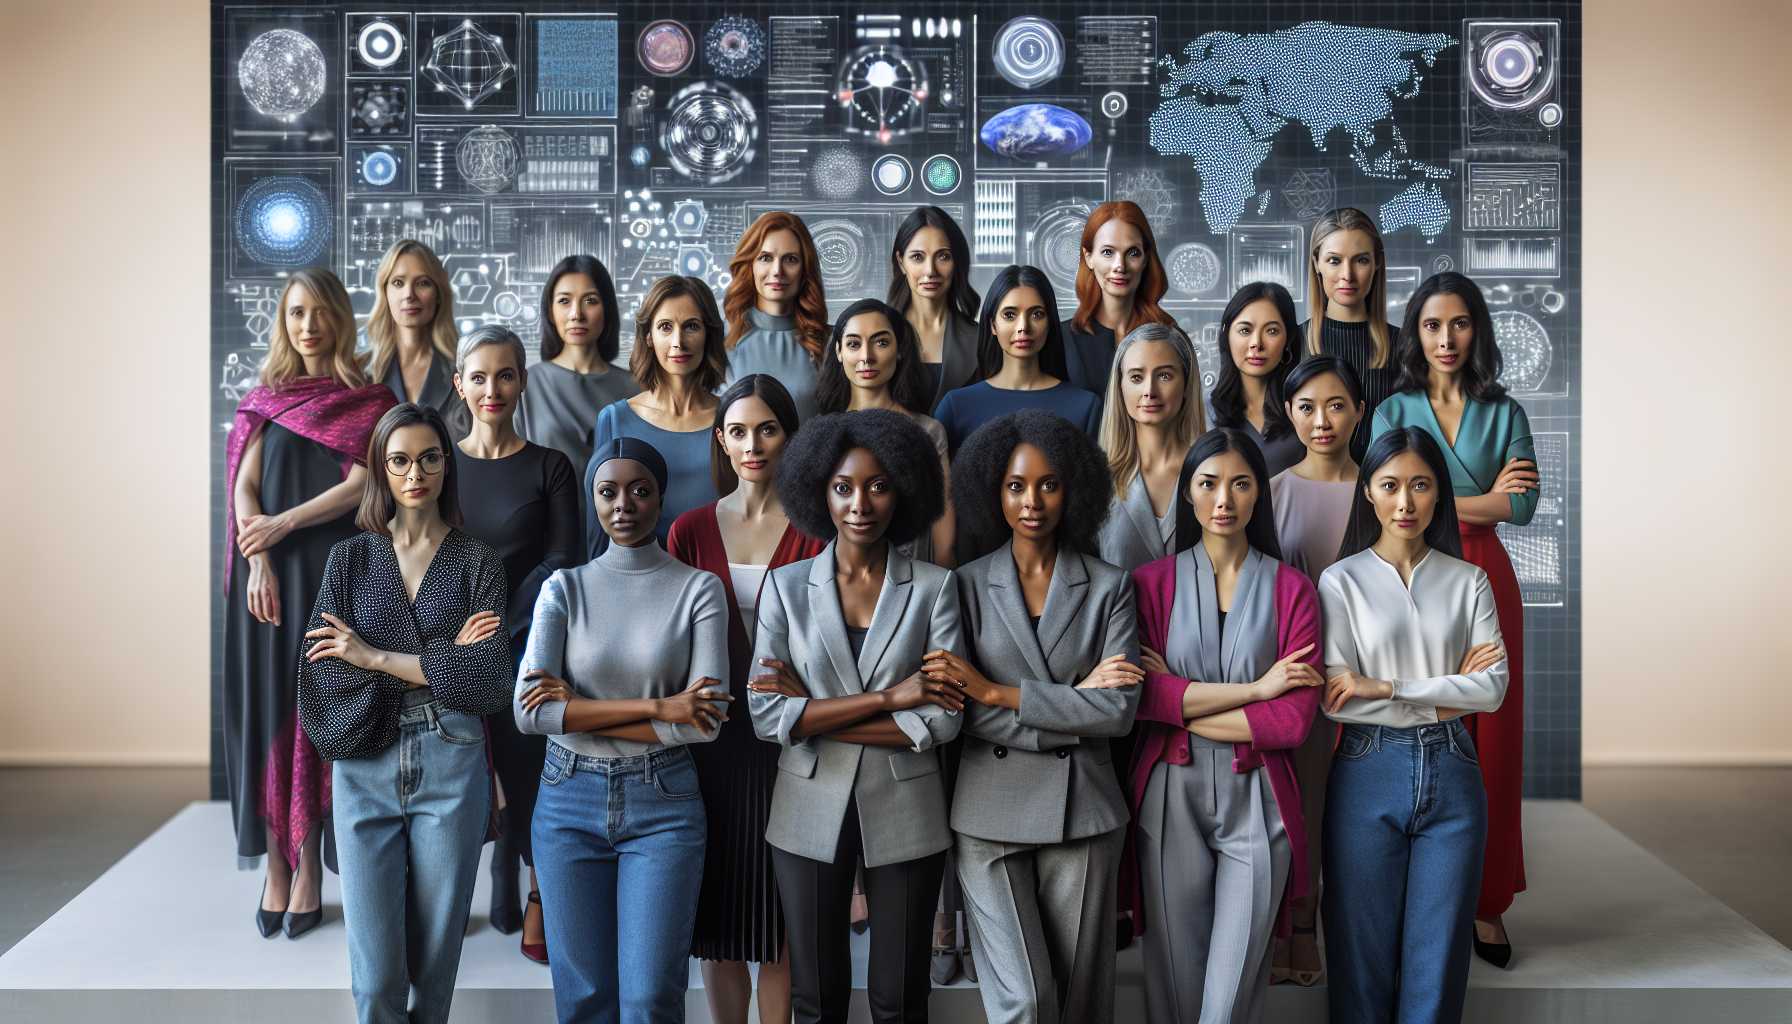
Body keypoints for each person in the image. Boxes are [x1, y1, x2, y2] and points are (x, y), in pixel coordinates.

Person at [297, 403, 514, 1023]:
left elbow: (491, 680)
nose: (414, 472)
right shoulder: (351, 560)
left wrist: (372, 655)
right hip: (363, 762)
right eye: (399, 460)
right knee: (375, 978)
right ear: (380, 470)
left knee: (434, 968)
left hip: (453, 756)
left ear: (446, 464)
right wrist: (443, 661)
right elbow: (322, 677)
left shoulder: (477, 561)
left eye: (428, 457)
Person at [747, 409, 965, 1024]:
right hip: (808, 810)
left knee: (900, 1001)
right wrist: (892, 700)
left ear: (904, 489)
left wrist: (812, 712)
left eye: (878, 485)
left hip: (907, 810)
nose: (860, 503)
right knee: (816, 1001)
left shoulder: (934, 588)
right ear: (820, 491)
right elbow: (766, 714)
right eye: (843, 487)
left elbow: (945, 721)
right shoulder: (787, 587)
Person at [929, 410, 1142, 1024]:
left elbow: (1120, 711)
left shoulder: (1110, 587)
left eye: (1048, 484)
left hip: (1084, 810)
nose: (1032, 501)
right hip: (987, 813)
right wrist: (1075, 698)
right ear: (992, 491)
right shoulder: (962, 586)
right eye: (1016, 485)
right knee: (1025, 1001)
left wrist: (1000, 693)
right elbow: (959, 711)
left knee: (1079, 1001)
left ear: (1072, 489)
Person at [517, 436, 732, 1024]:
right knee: (584, 998)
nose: (624, 504)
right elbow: (531, 712)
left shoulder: (697, 589)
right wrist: (662, 710)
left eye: (640, 490)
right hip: (567, 802)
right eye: (608, 492)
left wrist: (581, 710)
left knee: (649, 999)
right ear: (592, 500)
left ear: (660, 497)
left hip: (664, 804)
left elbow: (706, 725)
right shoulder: (564, 589)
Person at [1124, 428, 1323, 1024]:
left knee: (1228, 997)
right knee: (1173, 985)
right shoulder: (1149, 585)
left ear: (1260, 493)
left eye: (1240, 483)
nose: (1224, 499)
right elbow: (1140, 699)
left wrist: (1181, 704)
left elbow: (1291, 722)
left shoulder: (1294, 591)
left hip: (1260, 797)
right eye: (1209, 483)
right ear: (1188, 493)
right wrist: (1258, 691)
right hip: (1168, 796)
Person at [1372, 271, 1539, 968]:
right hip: (1411, 573)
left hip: (1488, 577)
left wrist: (1433, 496)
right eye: (1433, 325)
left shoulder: (1505, 411)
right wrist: (1479, 496)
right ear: (1415, 332)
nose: (1446, 338)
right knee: (1416, 730)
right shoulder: (1393, 408)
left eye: (1460, 323)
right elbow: (1384, 502)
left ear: (1479, 330)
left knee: (1490, 741)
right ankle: (1417, 889)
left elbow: (1522, 508)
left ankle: (1487, 903)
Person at [222, 267, 394, 939]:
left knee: (318, 714)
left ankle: (313, 868)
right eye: (296, 312)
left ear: (340, 320)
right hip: (266, 585)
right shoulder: (264, 399)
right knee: (268, 712)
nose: (308, 325)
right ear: (284, 322)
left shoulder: (370, 400)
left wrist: (286, 524)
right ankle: (275, 867)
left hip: (332, 577)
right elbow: (245, 490)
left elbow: (361, 483)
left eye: (320, 312)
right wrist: (259, 554)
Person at [1318, 427, 1509, 1023]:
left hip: (1455, 774)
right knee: (1360, 955)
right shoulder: (1340, 581)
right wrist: (1450, 691)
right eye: (1391, 485)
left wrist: (1389, 687)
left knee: (1440, 959)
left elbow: (1494, 689)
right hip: (1365, 770)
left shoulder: (1468, 580)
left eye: (1420, 486)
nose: (1405, 503)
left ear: (1438, 495)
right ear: (1368, 493)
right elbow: (1337, 700)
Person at [667, 375, 825, 1024]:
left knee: (781, 928)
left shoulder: (820, 528)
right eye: (737, 431)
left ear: (791, 436)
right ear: (720, 440)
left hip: (793, 750)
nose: (753, 444)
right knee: (718, 925)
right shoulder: (689, 530)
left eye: (768, 428)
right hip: (709, 756)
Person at [451, 325, 581, 962]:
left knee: (531, 772)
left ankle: (538, 893)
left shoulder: (551, 465)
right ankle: (446, 897)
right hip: (448, 638)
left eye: (504, 375)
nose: (492, 388)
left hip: (529, 639)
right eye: (479, 376)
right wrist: (461, 626)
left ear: (522, 381)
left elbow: (562, 556)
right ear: (460, 386)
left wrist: (502, 624)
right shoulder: (439, 464)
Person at [1264, 354, 1367, 986]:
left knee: (1353, 813)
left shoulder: (1382, 487)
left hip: (1369, 677)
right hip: (1301, 676)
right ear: (1290, 413)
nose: (1321, 420)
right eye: (1306, 407)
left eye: (1336, 405)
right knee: (1301, 804)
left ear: (1359, 410)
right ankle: (1298, 927)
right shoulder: (1271, 493)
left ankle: (1352, 929)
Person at [581, 275, 728, 558]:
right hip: (637, 583)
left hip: (718, 580)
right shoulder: (614, 419)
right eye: (665, 327)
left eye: (691, 327)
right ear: (648, 336)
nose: (678, 342)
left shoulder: (732, 419)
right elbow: (599, 534)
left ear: (709, 334)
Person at [815, 297, 956, 566]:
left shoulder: (928, 431)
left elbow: (944, 537)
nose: (866, 357)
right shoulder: (823, 433)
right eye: (854, 344)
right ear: (839, 352)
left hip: (917, 583)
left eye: (880, 342)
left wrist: (943, 591)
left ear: (900, 349)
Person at [932, 265, 1101, 453]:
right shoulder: (956, 407)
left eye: (1037, 314)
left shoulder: (1085, 406)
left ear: (1050, 323)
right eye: (1010, 315)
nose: (1023, 327)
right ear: (992, 325)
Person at [514, 254, 640, 481]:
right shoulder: (526, 385)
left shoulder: (636, 388)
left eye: (590, 300)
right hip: (545, 515)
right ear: (550, 311)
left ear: (607, 309)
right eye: (564, 301)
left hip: (621, 514)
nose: (576, 315)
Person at [1096, 322, 1208, 573]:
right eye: (1136, 377)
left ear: (1187, 383)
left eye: (1164, 376)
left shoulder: (1211, 472)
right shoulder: (1095, 480)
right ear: (1120, 386)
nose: (1149, 391)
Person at [1301, 207, 1400, 461]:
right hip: (1312, 494)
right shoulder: (1292, 343)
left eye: (1361, 260)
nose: (1348, 275)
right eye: (1335, 260)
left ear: (1377, 263)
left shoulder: (1405, 347)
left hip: (1386, 495)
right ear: (1317, 263)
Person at [1062, 201, 1180, 404]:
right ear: (1088, 257)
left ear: (1145, 258)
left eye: (1132, 253)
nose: (1120, 266)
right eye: (1108, 252)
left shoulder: (1171, 338)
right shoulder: (1061, 340)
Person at [723, 211, 831, 420]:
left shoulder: (831, 342)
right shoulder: (719, 338)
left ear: (804, 269)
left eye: (790, 259)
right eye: (765, 258)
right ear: (750, 265)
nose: (777, 271)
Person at [365, 240, 469, 440]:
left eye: (423, 283)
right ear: (384, 292)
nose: (409, 295)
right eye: (398, 282)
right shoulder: (360, 374)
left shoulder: (465, 371)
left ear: (438, 294)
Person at [887, 205, 983, 410]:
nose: (930, 271)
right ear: (901, 262)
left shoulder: (982, 340)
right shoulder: (876, 334)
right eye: (917, 257)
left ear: (957, 262)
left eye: (943, 256)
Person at [1208, 283, 1306, 477]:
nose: (1256, 344)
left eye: (1271, 331)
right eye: (1245, 330)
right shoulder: (1201, 411)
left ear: (1288, 340)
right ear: (1227, 335)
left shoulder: (1306, 409)